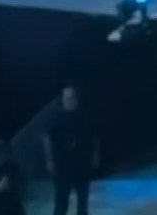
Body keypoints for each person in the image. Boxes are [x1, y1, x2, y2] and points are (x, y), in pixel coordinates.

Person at [43, 85, 97, 215]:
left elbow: (94, 137)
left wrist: (95, 156)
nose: (68, 101)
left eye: (71, 98)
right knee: (61, 204)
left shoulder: (85, 115)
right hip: (62, 167)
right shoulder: (55, 116)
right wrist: (49, 160)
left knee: (82, 204)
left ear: (76, 100)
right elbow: (47, 139)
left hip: (82, 165)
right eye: (65, 98)